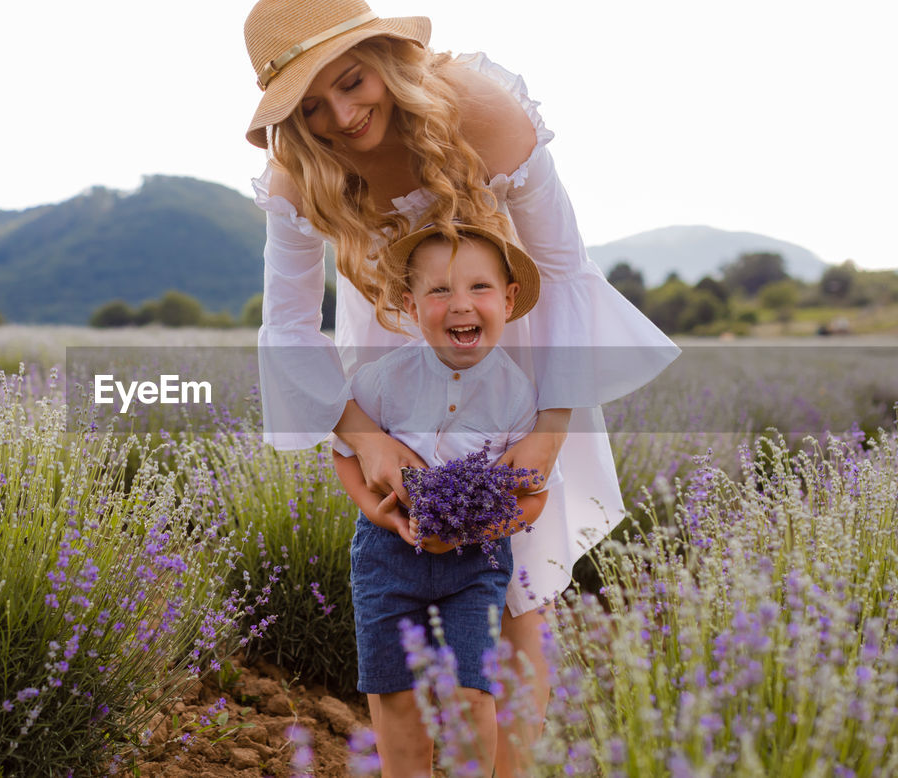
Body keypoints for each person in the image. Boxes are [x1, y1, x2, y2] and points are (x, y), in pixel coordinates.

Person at [243, 0, 680, 774]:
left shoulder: (482, 111)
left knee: (517, 592)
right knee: (398, 550)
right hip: (385, 343)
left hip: (508, 339)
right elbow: (287, 327)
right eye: (311, 107)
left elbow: (567, 272)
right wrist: (366, 439)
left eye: (351, 83)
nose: (341, 117)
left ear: (384, 57)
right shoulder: (297, 171)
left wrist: (548, 431)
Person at [334, 221, 552, 774]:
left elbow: (534, 496)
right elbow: (343, 450)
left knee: (471, 694)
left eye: (479, 288)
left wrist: (477, 530)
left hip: (474, 565)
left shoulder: (518, 396)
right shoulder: (384, 379)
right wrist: (369, 508)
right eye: (439, 291)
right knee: (398, 696)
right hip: (387, 556)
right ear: (410, 305)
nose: (461, 305)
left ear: (508, 299)